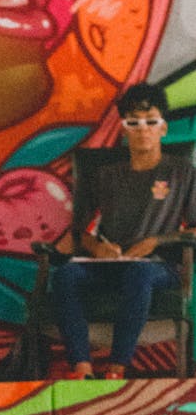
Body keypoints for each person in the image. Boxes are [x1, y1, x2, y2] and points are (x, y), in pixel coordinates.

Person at [53, 81, 196, 380]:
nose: (142, 128)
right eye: (134, 122)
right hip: (110, 261)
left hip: (160, 266)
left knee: (139, 273)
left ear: (163, 128)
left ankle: (117, 368)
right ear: (123, 129)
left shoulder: (183, 173)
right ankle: (82, 367)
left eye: (151, 121)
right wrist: (97, 248)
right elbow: (81, 231)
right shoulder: (104, 176)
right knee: (65, 275)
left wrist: (156, 241)